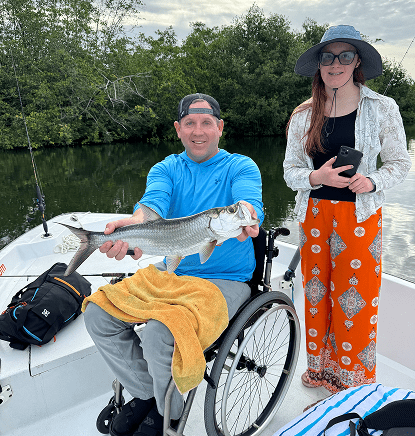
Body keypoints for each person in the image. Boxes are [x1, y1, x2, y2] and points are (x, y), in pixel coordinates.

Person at [84, 93, 264, 436]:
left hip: (226, 280)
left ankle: (169, 414)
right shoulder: (166, 168)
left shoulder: (240, 166)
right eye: (190, 123)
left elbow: (249, 201)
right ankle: (147, 394)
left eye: (207, 123)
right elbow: (151, 205)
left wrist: (248, 212)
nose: (198, 131)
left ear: (220, 128)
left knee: (159, 332)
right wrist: (132, 227)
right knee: (97, 314)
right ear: (179, 129)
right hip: (173, 272)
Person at [283, 25, 411, 395]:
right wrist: (316, 176)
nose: (335, 63)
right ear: (319, 64)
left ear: (357, 62)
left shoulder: (382, 108)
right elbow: (290, 172)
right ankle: (320, 371)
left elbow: (400, 163)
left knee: (355, 300)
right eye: (328, 56)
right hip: (315, 215)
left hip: (360, 217)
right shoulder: (303, 114)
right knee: (316, 297)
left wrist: (372, 181)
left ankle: (351, 385)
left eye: (345, 56)